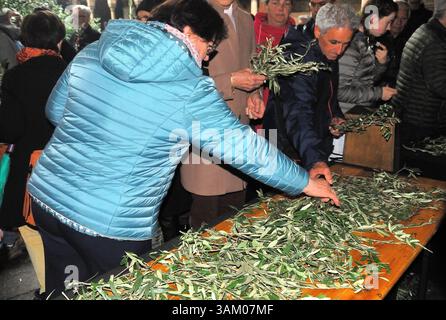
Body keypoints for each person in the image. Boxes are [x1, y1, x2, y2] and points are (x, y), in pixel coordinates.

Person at [27, 0, 339, 296]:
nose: (206, 58)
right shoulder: (187, 86)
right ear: (188, 33)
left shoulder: (94, 51)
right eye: (209, 47)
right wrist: (305, 183)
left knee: (66, 290)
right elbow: (242, 147)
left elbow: (55, 111)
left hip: (48, 198)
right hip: (108, 223)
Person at [180, 0, 267, 230]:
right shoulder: (194, 14)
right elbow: (182, 84)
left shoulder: (247, 18)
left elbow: (253, 63)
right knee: (205, 217)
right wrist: (230, 81)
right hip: (205, 128)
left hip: (239, 128)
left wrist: (255, 94)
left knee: (235, 214)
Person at [0, 10, 67, 298]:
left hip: (30, 170)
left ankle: (48, 288)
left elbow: (9, 130)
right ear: (59, 40)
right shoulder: (73, 71)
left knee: (32, 230)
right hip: (70, 164)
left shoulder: (15, 77)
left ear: (25, 38)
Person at [263, 3, 358, 185]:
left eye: (346, 44)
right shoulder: (298, 57)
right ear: (317, 32)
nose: (339, 51)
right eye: (335, 42)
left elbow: (326, 94)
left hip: (308, 145)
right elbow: (298, 113)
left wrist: (335, 116)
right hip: (287, 150)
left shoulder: (325, 50)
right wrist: (314, 159)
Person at [393, 0, 446, 147]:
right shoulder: (435, 41)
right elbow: (440, 85)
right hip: (419, 121)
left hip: (413, 116)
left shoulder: (427, 30)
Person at [338, 0, 398, 114]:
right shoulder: (352, 45)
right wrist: (379, 93)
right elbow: (340, 91)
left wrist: (381, 64)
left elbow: (365, 80)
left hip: (357, 111)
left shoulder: (366, 40)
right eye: (388, 22)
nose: (389, 28)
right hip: (346, 115)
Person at [377, 1, 411, 87]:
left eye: (403, 19)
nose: (399, 22)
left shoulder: (409, 43)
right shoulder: (377, 39)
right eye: (396, 18)